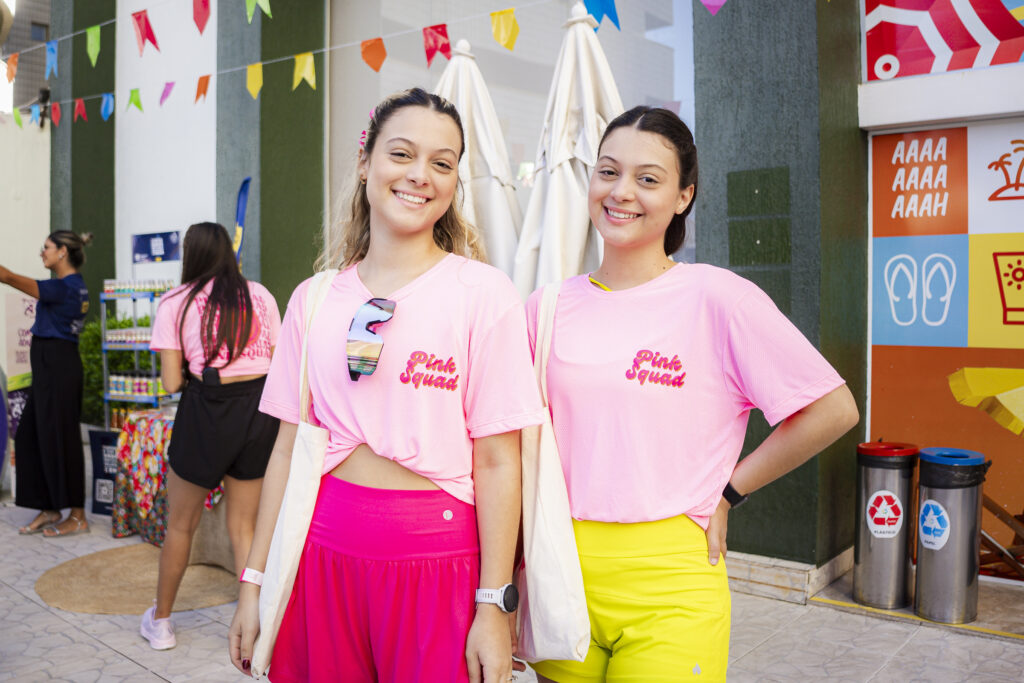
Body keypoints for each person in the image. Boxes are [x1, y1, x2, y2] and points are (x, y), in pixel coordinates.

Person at [526, 107, 860, 682]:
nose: (621, 192)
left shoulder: (717, 298)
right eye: (608, 171)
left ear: (684, 196)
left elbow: (832, 409)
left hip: (673, 576)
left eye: (648, 179)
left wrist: (731, 492)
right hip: (558, 567)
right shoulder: (546, 307)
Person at [228, 88, 545, 682]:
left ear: (454, 182)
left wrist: (494, 605)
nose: (419, 175)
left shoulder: (483, 294)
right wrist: (255, 582)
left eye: (442, 163)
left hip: (441, 563)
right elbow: (286, 449)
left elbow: (500, 462)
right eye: (402, 154)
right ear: (365, 161)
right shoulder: (313, 298)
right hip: (319, 555)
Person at [139, 222, 282, 650]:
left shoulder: (175, 303)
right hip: (260, 412)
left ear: (192, 255)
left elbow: (168, 383)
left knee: (181, 525)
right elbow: (279, 362)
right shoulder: (260, 295)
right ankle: (251, 625)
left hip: (207, 410)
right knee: (245, 527)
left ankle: (161, 622)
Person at [1, 231, 93, 537]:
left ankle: (77, 515)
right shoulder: (69, 287)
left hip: (59, 369)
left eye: (47, 248)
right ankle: (50, 507)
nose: (42, 253)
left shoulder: (64, 288)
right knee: (30, 436)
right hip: (49, 369)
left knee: (63, 439)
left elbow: (9, 278)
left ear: (63, 252)